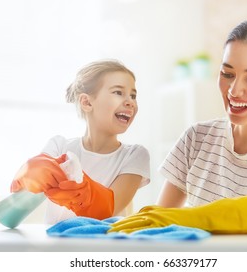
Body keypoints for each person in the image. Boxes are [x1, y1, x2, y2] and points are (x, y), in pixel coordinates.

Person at [109, 17, 247, 234]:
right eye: (227, 74)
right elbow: (161, 222)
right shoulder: (197, 139)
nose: (234, 91)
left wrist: (202, 217)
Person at [10, 59, 150, 224]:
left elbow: (109, 208)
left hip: (105, 247)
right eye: (118, 92)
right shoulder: (59, 146)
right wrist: (33, 173)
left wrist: (78, 186)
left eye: (133, 95)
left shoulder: (134, 155)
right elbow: (20, 195)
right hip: (56, 245)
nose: (130, 102)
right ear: (87, 102)